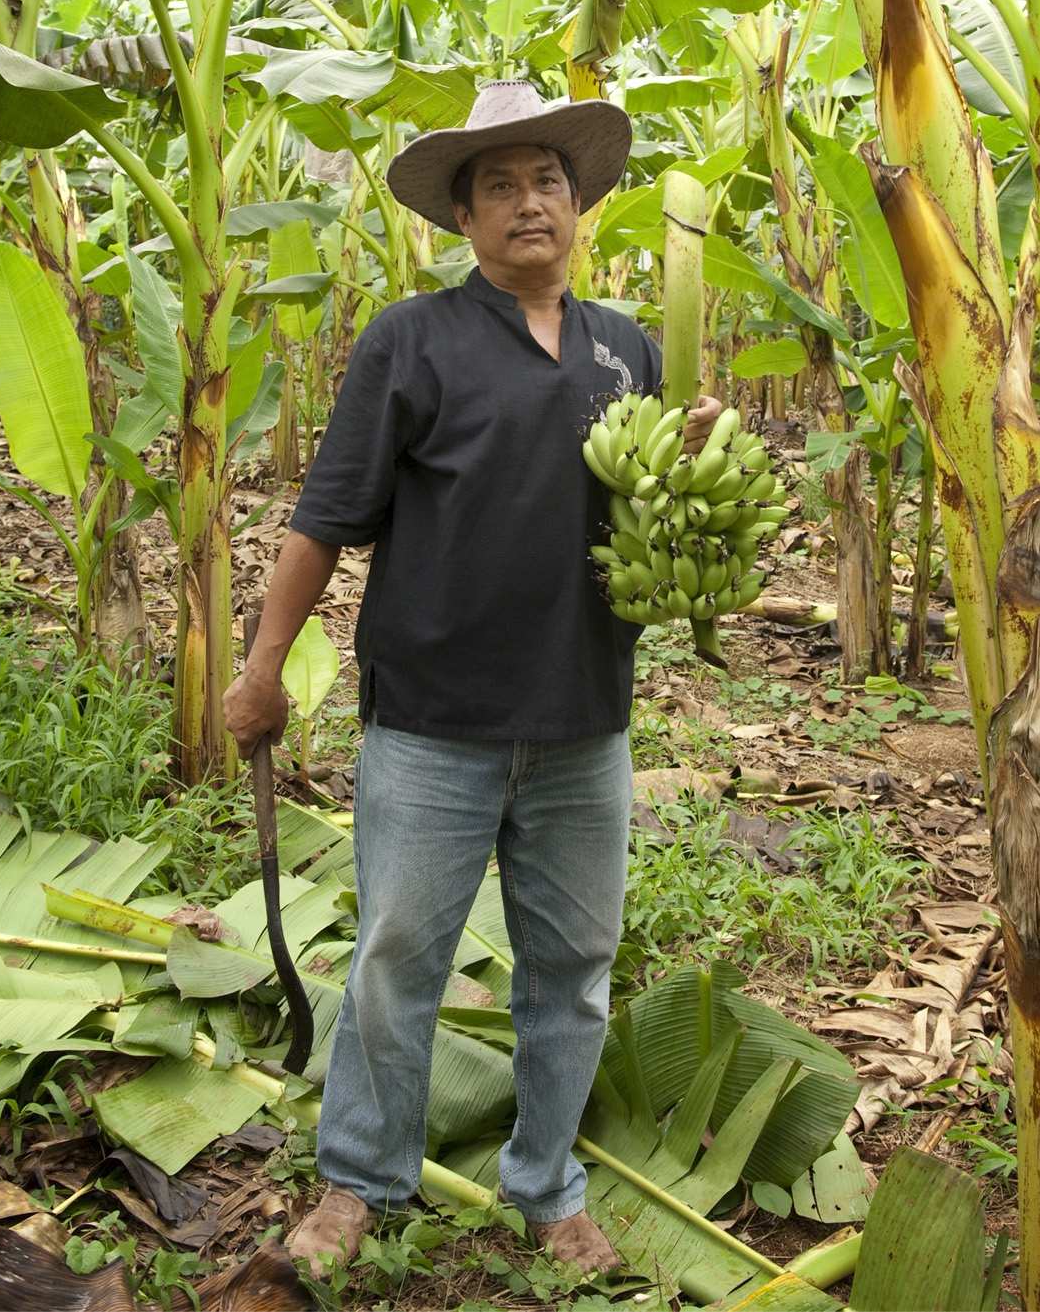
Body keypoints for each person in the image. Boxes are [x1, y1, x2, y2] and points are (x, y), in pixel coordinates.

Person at [223, 80, 722, 1279]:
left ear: (579, 202)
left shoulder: (626, 347)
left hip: (583, 718)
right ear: (463, 221)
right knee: (400, 956)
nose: (528, 203)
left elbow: (646, 517)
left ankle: (548, 1187)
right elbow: (327, 514)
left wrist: (695, 461)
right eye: (498, 186)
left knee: (574, 972)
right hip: (435, 718)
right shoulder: (412, 338)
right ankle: (358, 1184)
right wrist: (261, 667)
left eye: (547, 179)